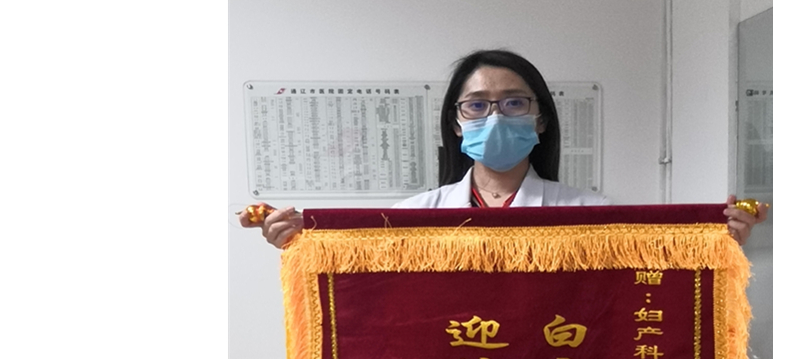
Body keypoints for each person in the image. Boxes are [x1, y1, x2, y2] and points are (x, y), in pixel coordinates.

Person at [241, 49, 768, 247]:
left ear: (541, 119)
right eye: (477, 105)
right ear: (455, 124)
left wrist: (715, 241)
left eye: (514, 103)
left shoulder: (591, 213)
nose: (495, 116)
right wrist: (299, 241)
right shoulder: (412, 217)